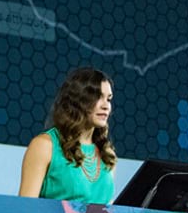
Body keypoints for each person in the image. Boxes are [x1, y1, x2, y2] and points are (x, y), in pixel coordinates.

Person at [18, 67, 117, 203]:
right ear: (78, 101)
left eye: (109, 99)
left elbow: (108, 209)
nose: (106, 106)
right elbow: (25, 209)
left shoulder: (107, 154)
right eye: (98, 97)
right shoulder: (45, 145)